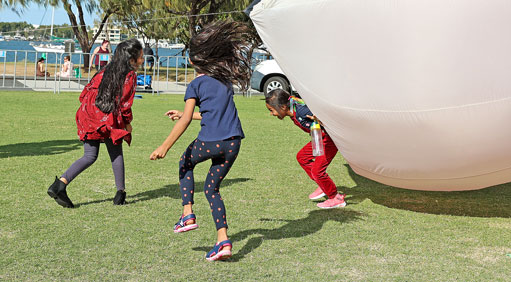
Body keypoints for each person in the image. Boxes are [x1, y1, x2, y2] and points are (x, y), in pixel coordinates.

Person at [150, 20, 250, 262]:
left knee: (185, 163)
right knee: (211, 188)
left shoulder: (195, 84)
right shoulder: (224, 81)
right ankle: (223, 242)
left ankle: (187, 215)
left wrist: (165, 146)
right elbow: (211, 113)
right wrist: (185, 114)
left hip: (211, 142)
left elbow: (185, 122)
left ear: (195, 61)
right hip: (233, 143)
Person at [47, 39, 144, 208]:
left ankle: (60, 184)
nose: (142, 60)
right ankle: (120, 193)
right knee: (115, 152)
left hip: (88, 114)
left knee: (89, 156)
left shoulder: (104, 70)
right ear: (131, 59)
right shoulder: (129, 75)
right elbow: (124, 103)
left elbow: (86, 92)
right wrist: (127, 123)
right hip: (105, 117)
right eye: (141, 57)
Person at [265, 89, 346, 209]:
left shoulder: (303, 111)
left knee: (317, 171)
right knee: (302, 157)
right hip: (319, 139)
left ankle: (335, 198)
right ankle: (323, 185)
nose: (271, 114)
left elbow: (329, 115)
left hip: (329, 140)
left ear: (282, 107)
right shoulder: (293, 108)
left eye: (271, 110)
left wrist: (321, 119)